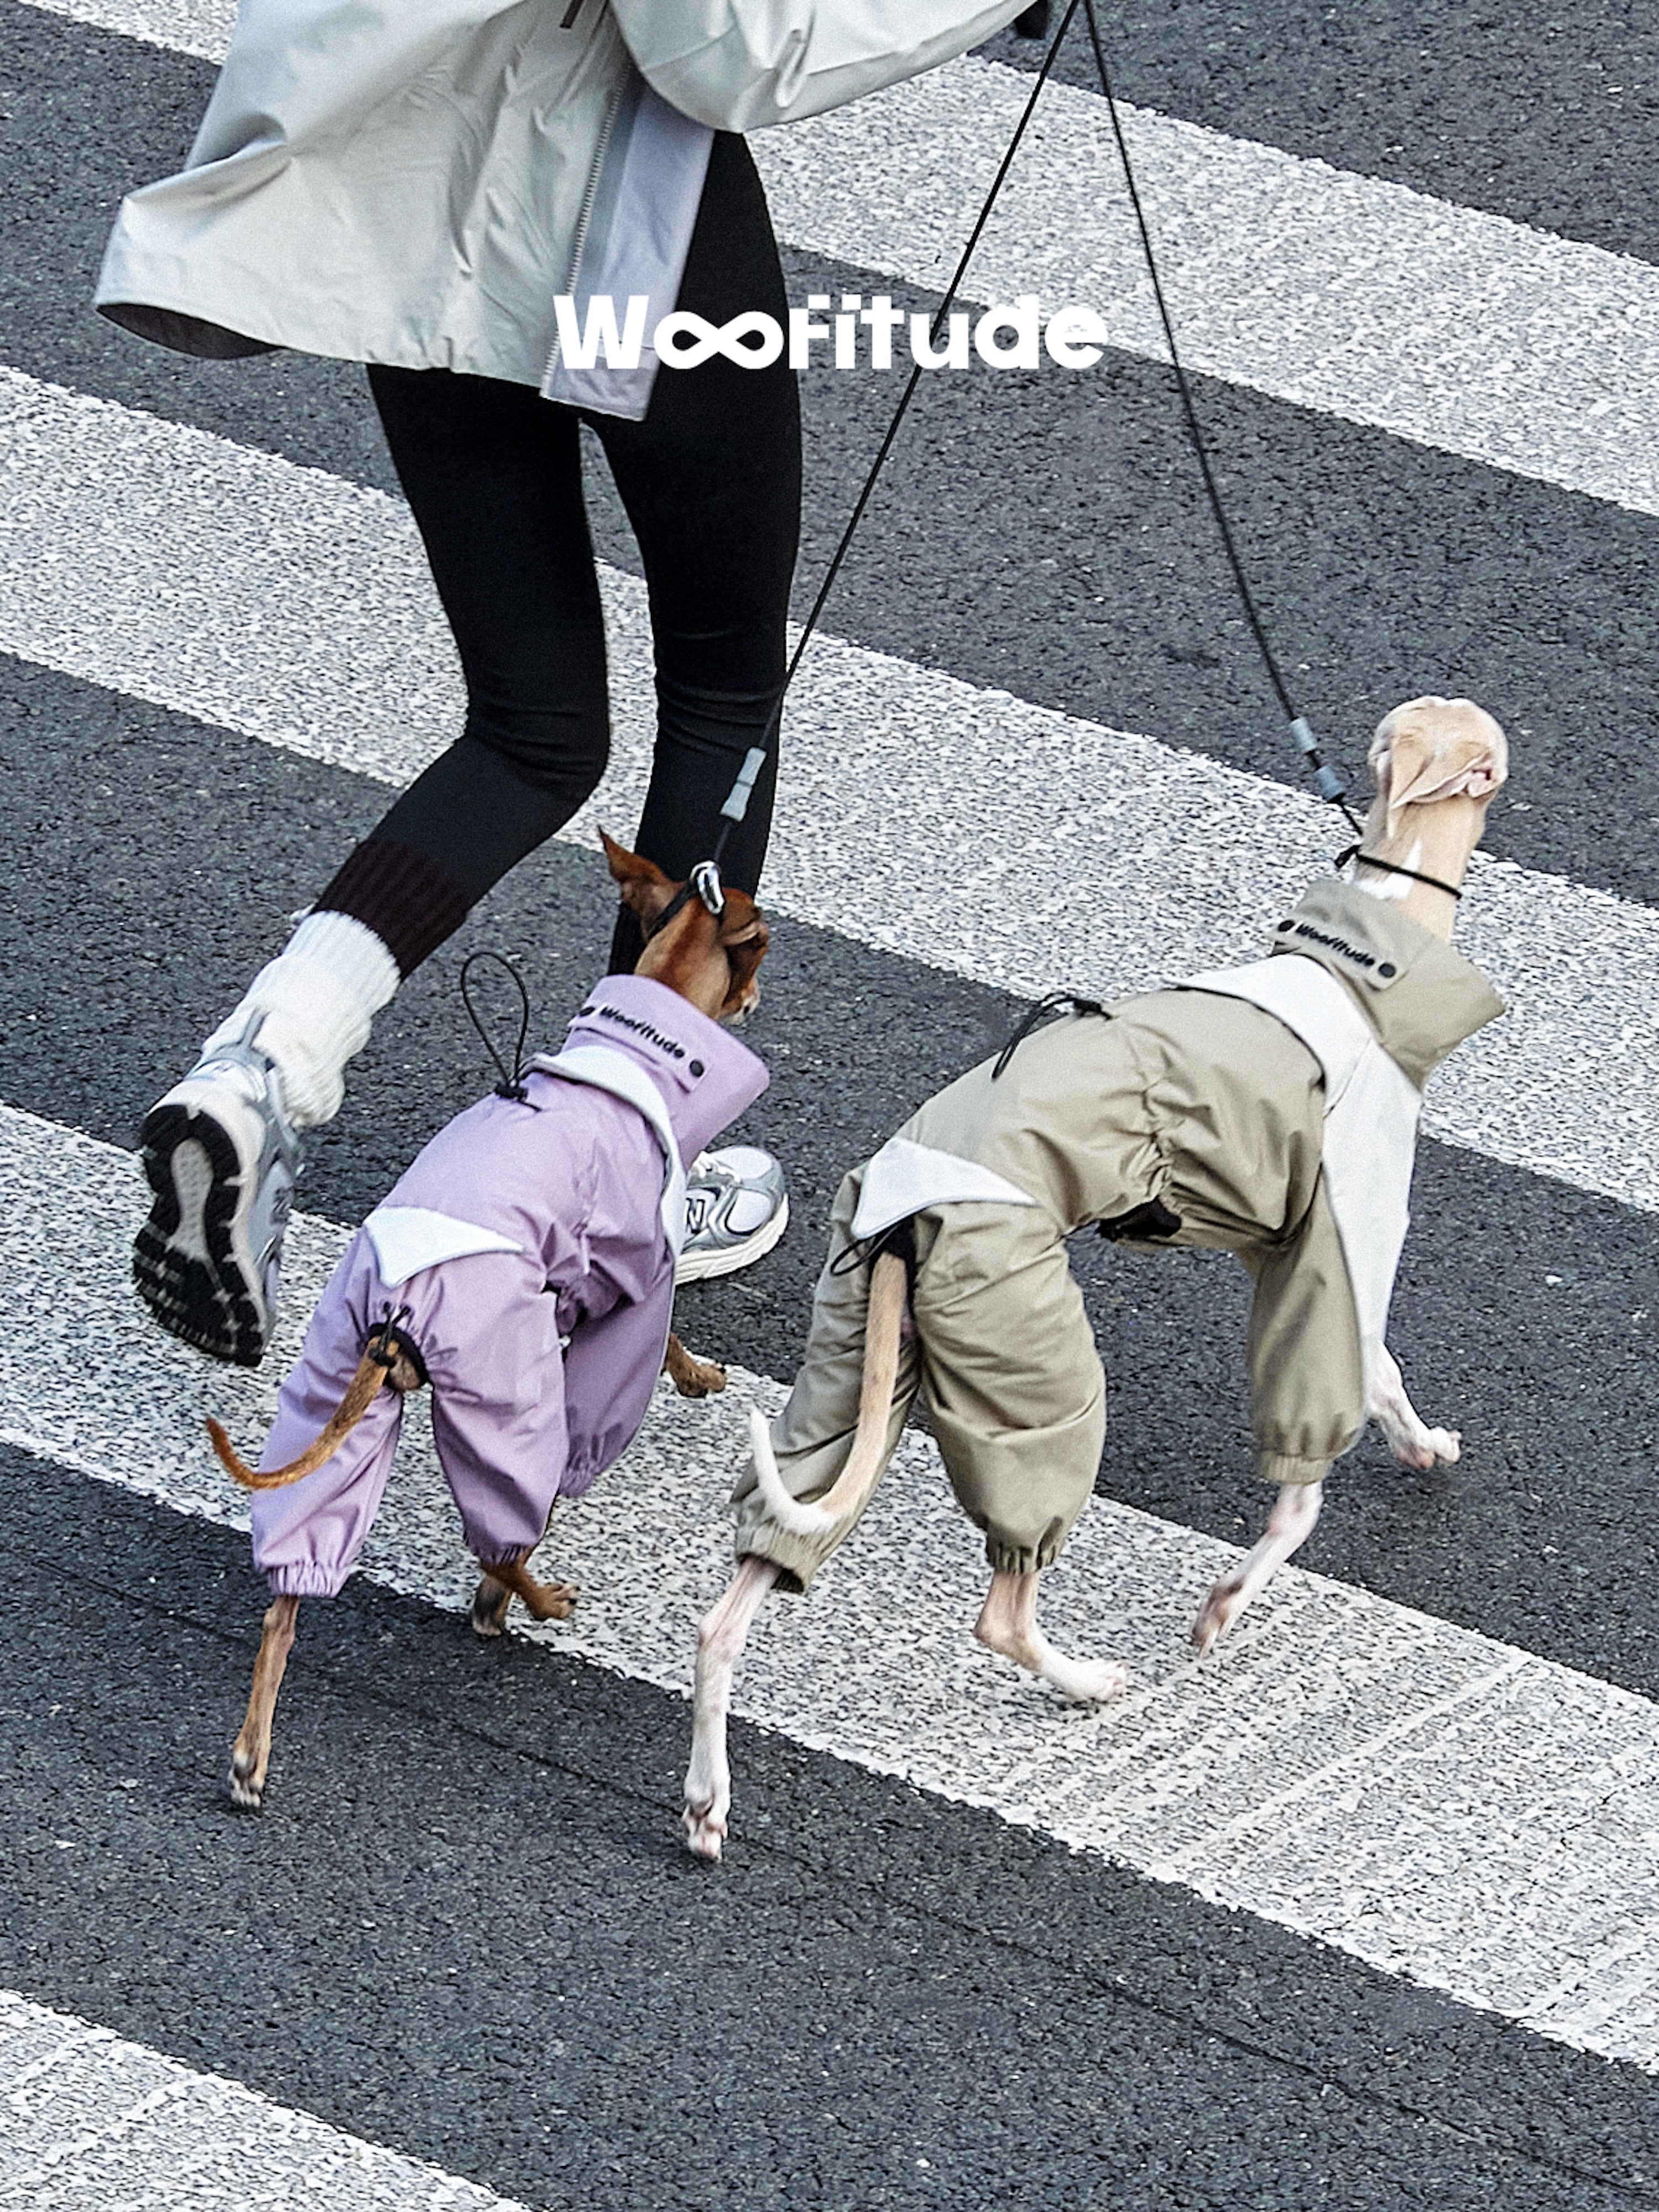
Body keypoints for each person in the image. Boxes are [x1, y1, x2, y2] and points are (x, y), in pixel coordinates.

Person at [95, 0, 1029, 1365]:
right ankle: (620, 1175)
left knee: (530, 727)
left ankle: (262, 1070)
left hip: (424, 202)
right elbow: (721, 48)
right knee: (721, 687)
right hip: (632, 223)